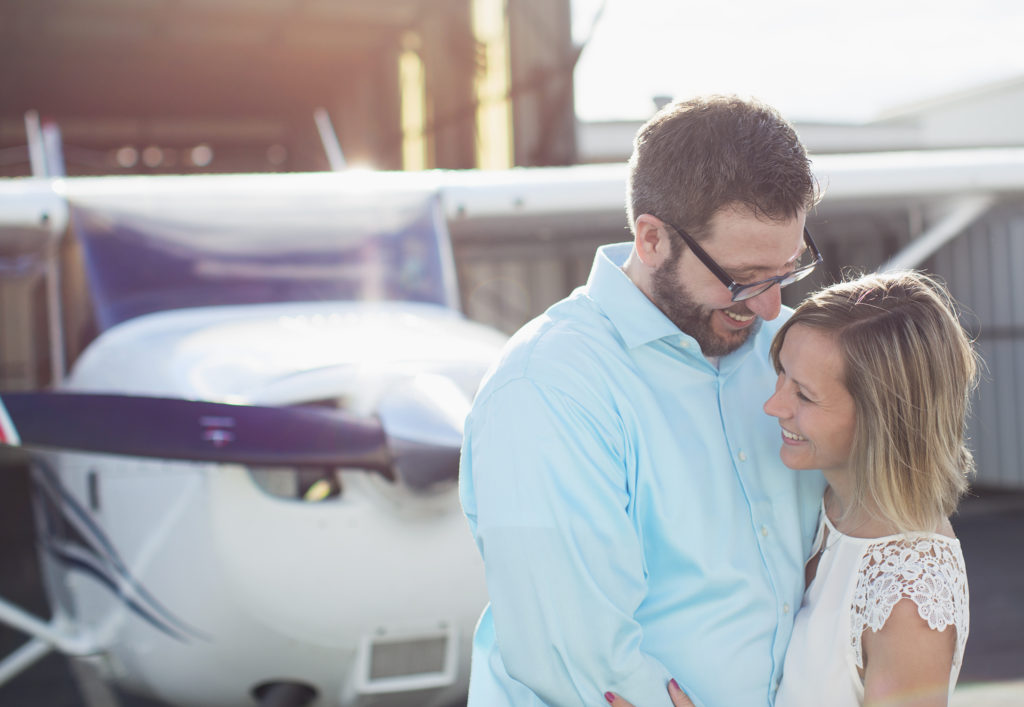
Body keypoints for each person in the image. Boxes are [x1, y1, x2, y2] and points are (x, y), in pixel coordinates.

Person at [458, 94, 827, 706]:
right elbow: (573, 653)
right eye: (744, 278)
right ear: (652, 239)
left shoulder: (794, 352)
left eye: (786, 271)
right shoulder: (547, 387)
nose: (769, 308)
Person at [610, 270, 976, 707]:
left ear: (883, 418)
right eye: (780, 373)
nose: (773, 405)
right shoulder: (825, 503)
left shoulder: (910, 600)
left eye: (803, 395)